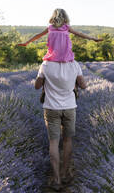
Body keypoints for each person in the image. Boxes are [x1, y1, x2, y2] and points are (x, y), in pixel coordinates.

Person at [35, 60, 87, 191]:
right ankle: (64, 174)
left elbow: (37, 86)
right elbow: (83, 85)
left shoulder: (46, 64)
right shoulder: (74, 64)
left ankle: (56, 178)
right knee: (67, 140)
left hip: (51, 108)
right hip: (69, 107)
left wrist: (46, 80)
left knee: (53, 142)